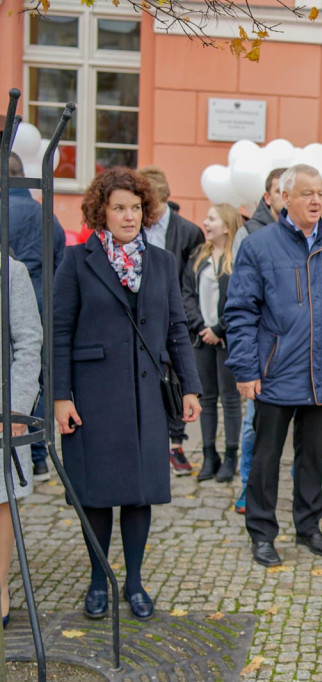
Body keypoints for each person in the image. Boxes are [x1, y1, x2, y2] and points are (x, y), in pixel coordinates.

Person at [53, 167, 202, 620]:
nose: (128, 216)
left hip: (146, 399)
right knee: (96, 494)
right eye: (119, 208)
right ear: (102, 212)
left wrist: (192, 387)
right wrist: (61, 396)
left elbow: (177, 328)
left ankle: (134, 581)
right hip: (93, 397)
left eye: (135, 208)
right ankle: (100, 581)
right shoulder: (77, 261)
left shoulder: (161, 262)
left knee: (140, 493)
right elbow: (58, 331)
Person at [225, 163, 322, 568]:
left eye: (320, 193)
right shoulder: (259, 245)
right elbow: (240, 313)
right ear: (283, 198)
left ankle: (308, 526)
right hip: (274, 373)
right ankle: (262, 533)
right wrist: (246, 370)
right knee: (266, 459)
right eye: (307, 193)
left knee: (313, 458)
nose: (317, 200)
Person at [137, 166, 206, 477]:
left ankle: (176, 443)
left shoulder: (188, 231)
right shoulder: (133, 226)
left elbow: (192, 279)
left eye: (152, 207)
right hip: (140, 315)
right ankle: (146, 439)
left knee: (178, 378)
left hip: (176, 314)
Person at [3, 152, 64, 483]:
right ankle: (38, 454)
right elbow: (59, 259)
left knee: (14, 373)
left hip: (10, 305)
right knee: (36, 376)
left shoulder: (4, 212)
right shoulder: (47, 215)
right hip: (41, 303)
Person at [234, 167, 287, 514]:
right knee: (255, 426)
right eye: (281, 192)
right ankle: (248, 488)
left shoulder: (311, 234)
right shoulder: (250, 236)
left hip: (295, 353)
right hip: (264, 353)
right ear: (268, 197)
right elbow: (240, 300)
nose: (287, 198)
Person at [182, 204, 243, 483]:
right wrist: (202, 328)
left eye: (212, 218)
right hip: (201, 340)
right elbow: (186, 295)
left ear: (228, 226)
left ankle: (231, 455)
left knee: (230, 400)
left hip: (228, 341)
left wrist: (220, 329)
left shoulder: (239, 259)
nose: (205, 223)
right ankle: (209, 455)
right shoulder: (198, 256)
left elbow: (240, 299)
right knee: (205, 398)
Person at [0, 256, 42, 629]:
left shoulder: (10, 272)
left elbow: (29, 343)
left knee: (1, 500)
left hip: (0, 406)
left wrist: (14, 409)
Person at [235, 167, 287, 255]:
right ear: (268, 198)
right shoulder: (248, 232)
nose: (286, 196)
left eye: (290, 191)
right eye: (279, 191)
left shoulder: (309, 230)